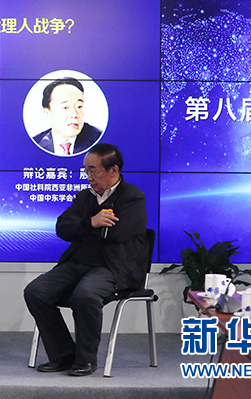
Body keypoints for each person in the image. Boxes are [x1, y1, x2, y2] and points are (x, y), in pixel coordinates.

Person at [24, 143, 147, 377]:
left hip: (113, 268)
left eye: (93, 171)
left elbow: (116, 235)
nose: (89, 177)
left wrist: (82, 230)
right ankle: (63, 355)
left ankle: (85, 360)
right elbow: (62, 228)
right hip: (77, 263)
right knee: (36, 291)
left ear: (113, 170)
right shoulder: (84, 197)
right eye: (86, 171)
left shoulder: (132, 197)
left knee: (85, 294)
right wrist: (92, 222)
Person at [32, 78, 102, 156]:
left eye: (79, 107)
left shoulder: (99, 139)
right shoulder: (35, 143)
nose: (74, 114)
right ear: (47, 113)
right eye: (65, 107)